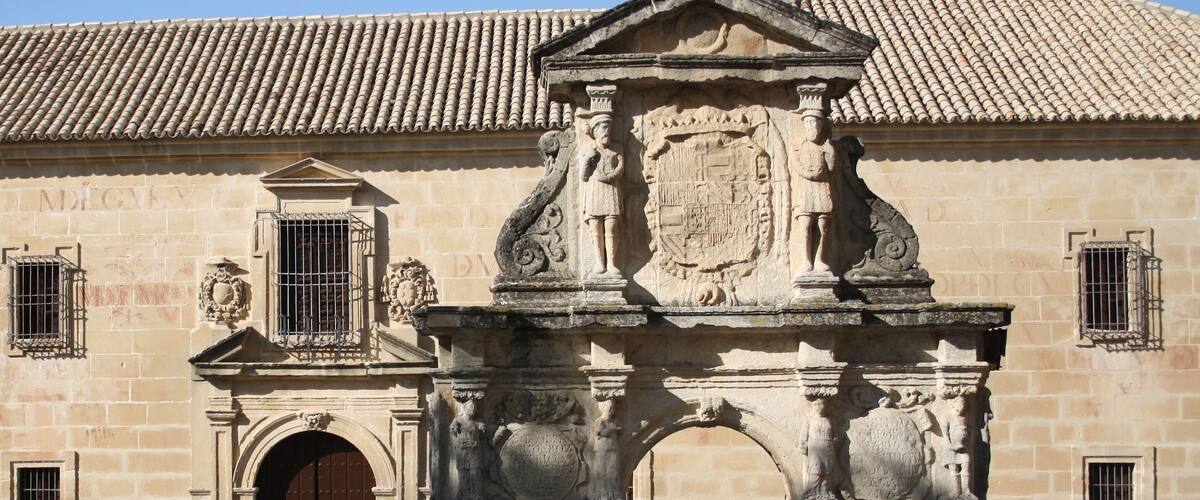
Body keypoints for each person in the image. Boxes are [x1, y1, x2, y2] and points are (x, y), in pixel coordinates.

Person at [790, 110, 836, 274]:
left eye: (815, 122)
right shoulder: (798, 144)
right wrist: (809, 174)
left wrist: (830, 152)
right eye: (808, 122)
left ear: (821, 124)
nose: (811, 126)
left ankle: (819, 259)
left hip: (821, 187)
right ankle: (806, 260)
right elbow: (796, 164)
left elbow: (831, 168)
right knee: (805, 225)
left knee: (822, 225)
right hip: (805, 187)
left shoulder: (825, 145)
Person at [579, 113, 624, 276]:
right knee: (595, 230)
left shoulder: (617, 149)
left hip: (611, 190)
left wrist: (609, 177)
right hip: (593, 191)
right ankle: (599, 263)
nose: (607, 131)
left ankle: (611, 263)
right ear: (595, 131)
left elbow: (621, 169)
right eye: (604, 128)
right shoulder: (589, 150)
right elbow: (583, 176)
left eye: (609, 128)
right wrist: (588, 159)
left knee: (611, 229)